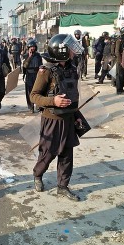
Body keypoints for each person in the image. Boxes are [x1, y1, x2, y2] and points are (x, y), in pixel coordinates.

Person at [30, 33, 82, 202]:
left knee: (67, 155)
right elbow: (34, 96)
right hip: (51, 120)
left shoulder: (72, 69)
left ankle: (63, 186)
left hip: (68, 120)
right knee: (48, 154)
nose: (74, 51)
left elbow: (73, 96)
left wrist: (76, 115)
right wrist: (53, 101)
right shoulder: (46, 71)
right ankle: (37, 175)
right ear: (61, 51)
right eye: (70, 48)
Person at [22, 40, 43, 113]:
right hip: (29, 74)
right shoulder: (25, 56)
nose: (32, 48)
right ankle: (31, 107)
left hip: (37, 74)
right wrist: (29, 57)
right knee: (29, 92)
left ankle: (38, 105)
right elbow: (24, 66)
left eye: (33, 47)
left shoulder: (38, 56)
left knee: (38, 90)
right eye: (31, 47)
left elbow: (41, 64)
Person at [113, 27, 124, 94]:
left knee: (123, 75)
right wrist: (121, 61)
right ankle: (119, 90)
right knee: (120, 75)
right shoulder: (119, 40)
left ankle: (121, 88)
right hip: (120, 60)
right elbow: (117, 51)